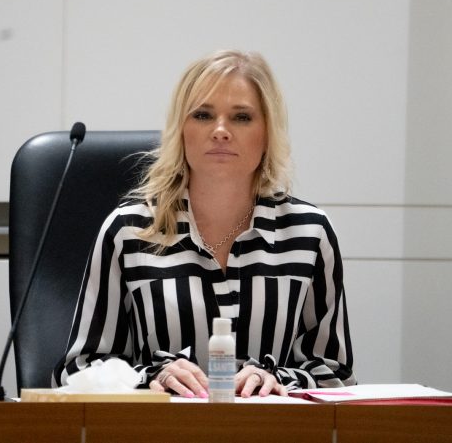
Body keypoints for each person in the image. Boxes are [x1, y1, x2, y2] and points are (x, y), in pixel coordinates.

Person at [53, 49, 354, 398]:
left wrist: (278, 380)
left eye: (241, 117)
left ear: (268, 133)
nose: (221, 131)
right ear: (181, 130)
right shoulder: (129, 231)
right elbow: (78, 369)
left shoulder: (310, 234)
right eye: (203, 115)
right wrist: (152, 377)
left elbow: (336, 373)